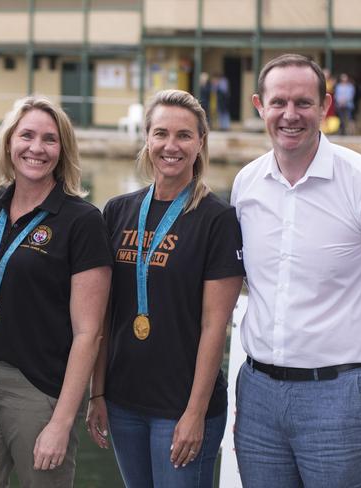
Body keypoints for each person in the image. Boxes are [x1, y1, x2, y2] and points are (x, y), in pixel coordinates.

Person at [0, 95, 112, 487]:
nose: (36, 148)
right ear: (9, 142)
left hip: (39, 391)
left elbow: (88, 334)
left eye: (49, 139)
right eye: (26, 135)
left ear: (63, 150)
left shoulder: (82, 221)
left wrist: (61, 421)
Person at [87, 89, 244, 488]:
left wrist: (195, 412)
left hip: (181, 407)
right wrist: (97, 393)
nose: (170, 146)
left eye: (184, 136)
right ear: (147, 139)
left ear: (200, 143)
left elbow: (215, 327)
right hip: (123, 401)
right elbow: (105, 314)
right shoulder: (117, 211)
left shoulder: (218, 220)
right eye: (161, 134)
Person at [231, 53, 361, 487]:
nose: (291, 115)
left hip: (339, 397)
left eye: (303, 103)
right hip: (257, 394)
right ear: (259, 105)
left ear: (325, 106)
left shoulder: (357, 180)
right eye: (279, 102)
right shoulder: (246, 184)